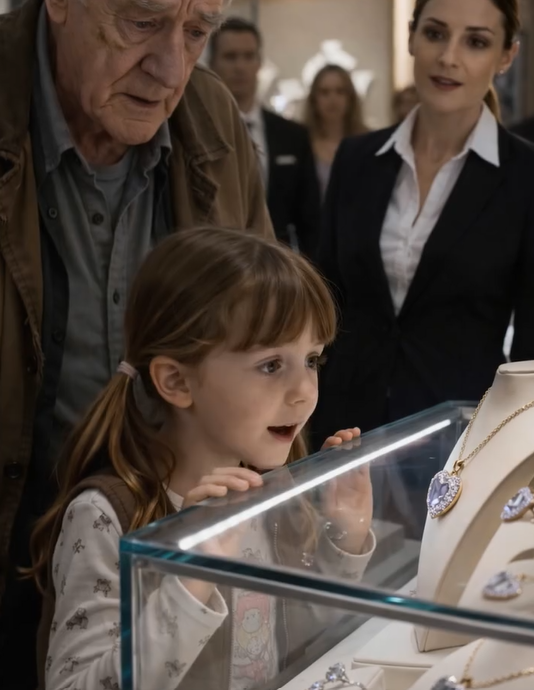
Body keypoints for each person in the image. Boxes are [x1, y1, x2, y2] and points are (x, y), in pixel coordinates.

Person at [0, 0, 274, 687]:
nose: (171, 68)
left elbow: (260, 335)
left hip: (164, 576)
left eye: (197, 31)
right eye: (144, 21)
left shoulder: (213, 120)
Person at [28, 226, 374, 690]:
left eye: (312, 360)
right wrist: (189, 577)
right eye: (271, 365)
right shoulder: (104, 517)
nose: (304, 392)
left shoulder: (272, 489)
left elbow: (303, 637)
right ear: (176, 381)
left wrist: (346, 538)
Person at [312, 0, 534, 448]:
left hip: (462, 442)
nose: (448, 57)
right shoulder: (357, 159)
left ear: (505, 56)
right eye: (435, 33)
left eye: (476, 42)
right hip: (343, 432)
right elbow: (325, 305)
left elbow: (530, 350)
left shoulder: (524, 176)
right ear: (411, 36)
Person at [210, 17, 322, 257]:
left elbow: (309, 219)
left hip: (275, 261)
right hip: (213, 257)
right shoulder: (198, 130)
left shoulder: (293, 136)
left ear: (259, 63)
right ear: (213, 63)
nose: (240, 66)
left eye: (248, 56)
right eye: (230, 57)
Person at [304, 64, 368, 200]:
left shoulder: (368, 143)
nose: (332, 99)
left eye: (340, 92)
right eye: (324, 92)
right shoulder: (302, 144)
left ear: (350, 98)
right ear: (314, 99)